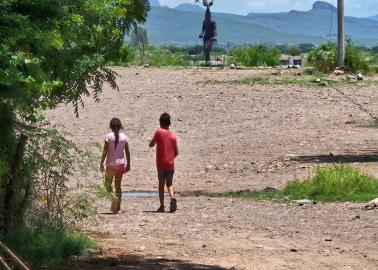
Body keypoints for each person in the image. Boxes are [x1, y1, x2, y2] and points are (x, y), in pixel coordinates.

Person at [149, 113, 179, 213]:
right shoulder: (173, 135)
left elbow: (151, 144)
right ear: (169, 123)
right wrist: (171, 157)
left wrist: (154, 141)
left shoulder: (159, 132)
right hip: (170, 164)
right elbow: (176, 152)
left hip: (161, 165)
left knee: (161, 184)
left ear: (161, 123)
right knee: (169, 184)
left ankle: (162, 206)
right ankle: (172, 198)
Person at [100, 118, 130, 214]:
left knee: (107, 185)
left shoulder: (108, 136)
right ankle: (118, 206)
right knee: (118, 186)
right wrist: (128, 164)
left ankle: (114, 199)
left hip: (111, 165)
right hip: (121, 164)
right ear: (120, 126)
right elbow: (127, 152)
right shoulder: (124, 137)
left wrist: (101, 162)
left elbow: (105, 151)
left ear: (111, 127)